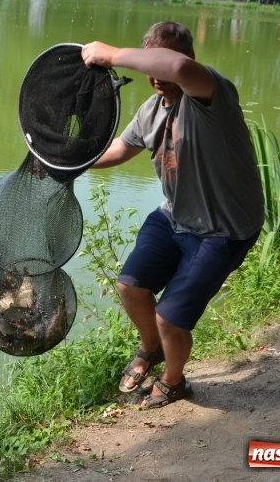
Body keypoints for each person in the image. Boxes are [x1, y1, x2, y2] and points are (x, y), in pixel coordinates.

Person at [81, 21, 264, 409]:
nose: (155, 77)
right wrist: (72, 161)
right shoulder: (151, 111)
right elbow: (119, 149)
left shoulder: (211, 95)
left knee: (170, 318)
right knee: (131, 286)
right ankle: (151, 350)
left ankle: (174, 381)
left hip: (223, 229)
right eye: (150, 68)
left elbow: (177, 69)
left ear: (188, 59)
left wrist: (111, 54)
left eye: (159, 64)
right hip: (175, 216)